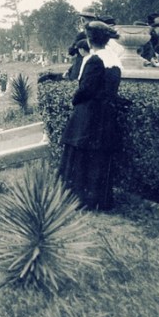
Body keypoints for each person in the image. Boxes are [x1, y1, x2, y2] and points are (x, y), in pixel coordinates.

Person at [59, 21, 122, 210]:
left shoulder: (94, 60)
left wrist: (74, 99)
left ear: (89, 40)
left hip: (89, 114)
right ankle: (99, 200)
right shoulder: (114, 59)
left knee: (81, 154)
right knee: (98, 156)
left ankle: (80, 200)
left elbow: (86, 89)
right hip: (106, 114)